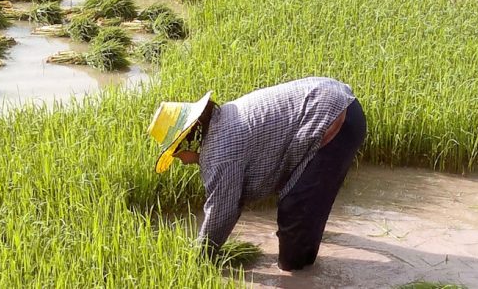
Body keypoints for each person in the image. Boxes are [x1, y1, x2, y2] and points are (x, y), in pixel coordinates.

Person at [147, 77, 366, 271]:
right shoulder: (220, 123)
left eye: (177, 154)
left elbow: (222, 212)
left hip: (335, 117)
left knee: (296, 211)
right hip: (334, 103)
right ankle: (304, 260)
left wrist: (201, 260)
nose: (182, 162)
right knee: (303, 205)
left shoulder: (220, 152)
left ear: (190, 140)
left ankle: (300, 275)